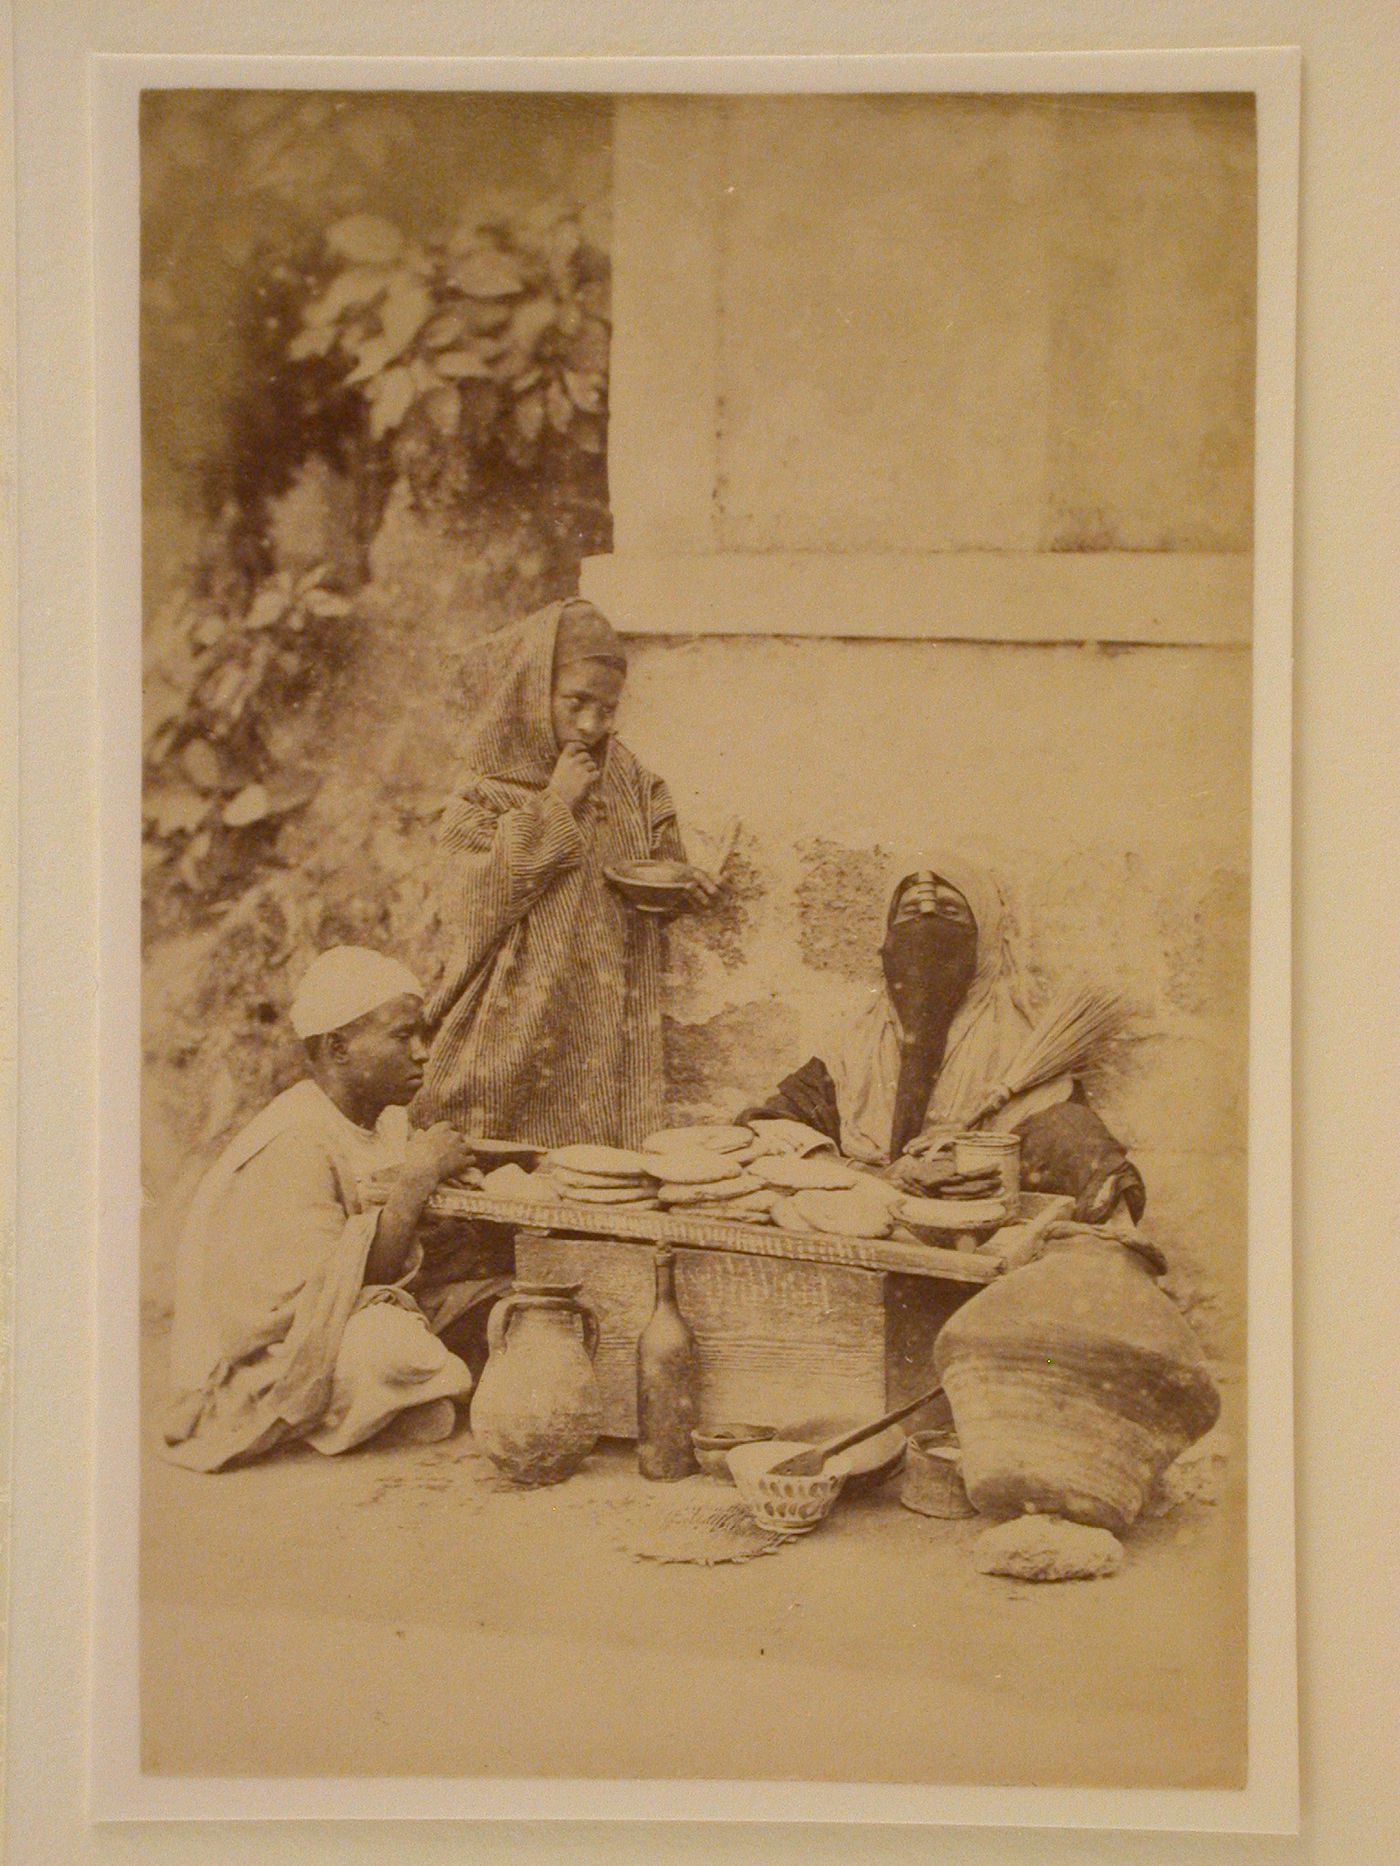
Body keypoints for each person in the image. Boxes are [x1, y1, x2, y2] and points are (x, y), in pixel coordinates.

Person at [162, 947, 505, 1472]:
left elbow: (395, 1258)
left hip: (367, 1305)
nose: (422, 1053)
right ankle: (372, 1410)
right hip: (275, 1351)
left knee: (501, 1299)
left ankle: (403, 1404)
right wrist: (416, 1179)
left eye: (422, 1036)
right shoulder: (295, 1141)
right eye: (402, 1036)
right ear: (338, 1048)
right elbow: (329, 1296)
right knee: (388, 1347)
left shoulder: (387, 1121)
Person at [414, 598, 718, 1149]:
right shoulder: (485, 786)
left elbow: (654, 845)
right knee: (491, 1156)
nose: (589, 724)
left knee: (590, 1164)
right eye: (575, 701)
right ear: (535, 692)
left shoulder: (624, 774)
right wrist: (555, 802)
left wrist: (680, 880)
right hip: (513, 1018)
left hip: (598, 1011)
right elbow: (474, 904)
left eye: (606, 709)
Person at [742, 857, 1145, 1224]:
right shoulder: (857, 1048)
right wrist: (869, 1175)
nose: (927, 928)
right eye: (910, 913)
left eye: (951, 913)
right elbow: (768, 1126)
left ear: (984, 937)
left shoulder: (1020, 1051)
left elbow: (1090, 1168)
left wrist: (968, 1155)